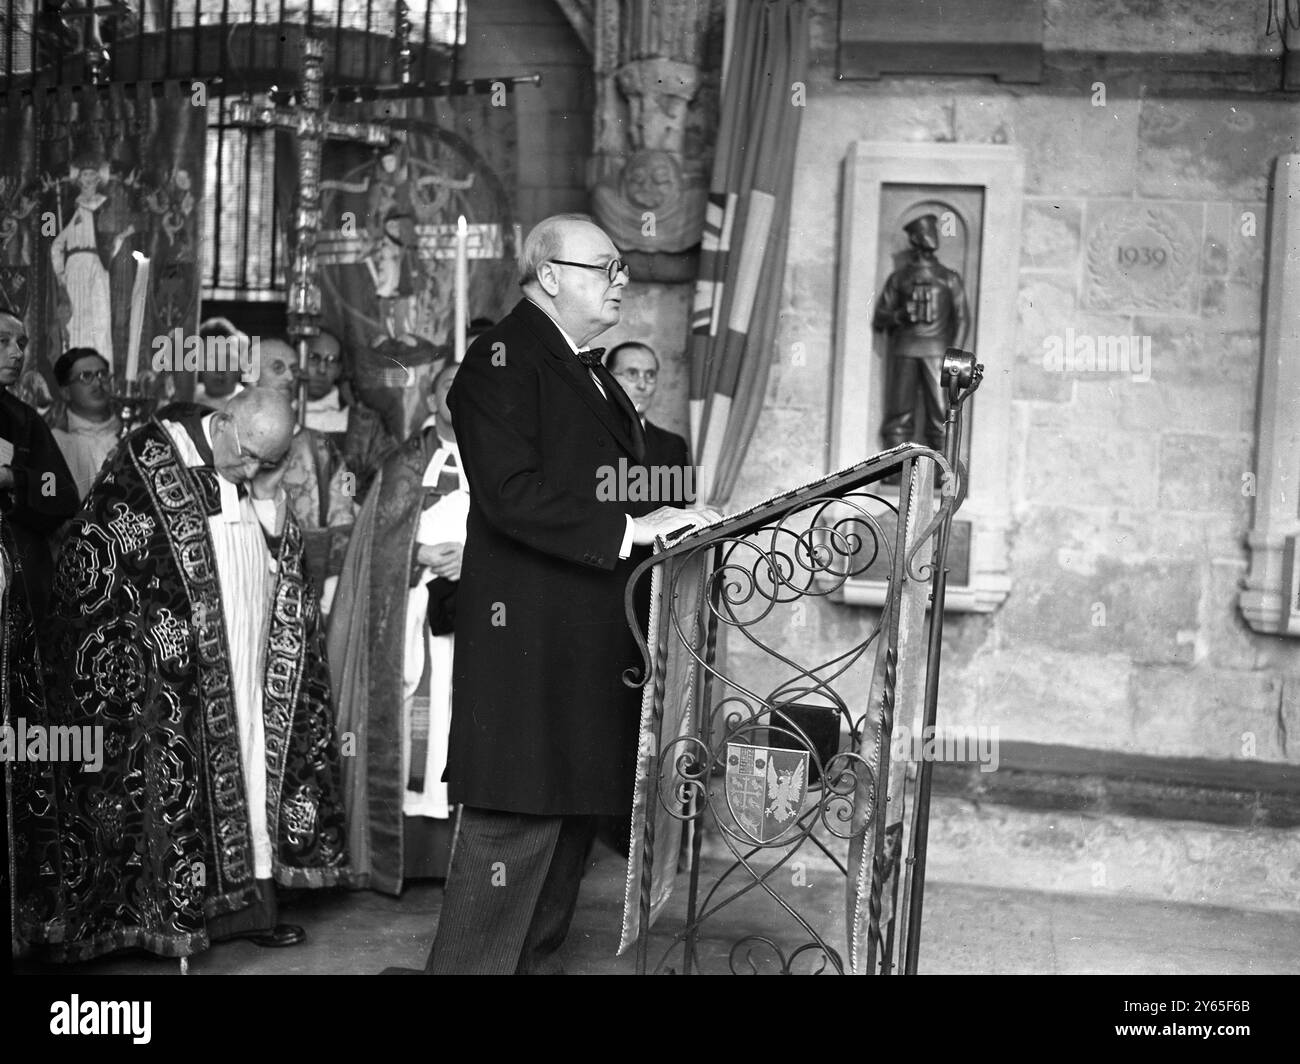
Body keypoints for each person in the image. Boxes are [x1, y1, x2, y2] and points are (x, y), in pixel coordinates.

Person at [396, 213, 718, 975]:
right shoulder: (502, 360)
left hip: (582, 647)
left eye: (620, 268)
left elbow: (596, 483)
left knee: (565, 839)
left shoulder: (584, 367)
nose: (621, 281)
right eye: (604, 267)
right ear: (550, 276)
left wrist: (669, 515)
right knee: (512, 832)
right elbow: (510, 495)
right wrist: (633, 530)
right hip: (528, 648)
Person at [15, 387, 350, 961]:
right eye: (247, 455)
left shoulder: (254, 472)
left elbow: (278, 553)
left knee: (249, 765)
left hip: (247, 653)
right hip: (174, 669)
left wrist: (269, 497)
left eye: (268, 463)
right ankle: (176, 917)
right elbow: (100, 553)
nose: (250, 470)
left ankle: (252, 908)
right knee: (181, 777)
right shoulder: (148, 456)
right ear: (221, 423)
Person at [328, 360, 466, 893]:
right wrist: (421, 553)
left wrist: (473, 560)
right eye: (451, 387)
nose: (463, 395)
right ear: (432, 401)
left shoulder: (502, 462)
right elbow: (370, 547)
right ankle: (401, 855)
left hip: (475, 619)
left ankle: (464, 862)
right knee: (414, 717)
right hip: (408, 618)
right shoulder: (402, 464)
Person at [258, 337, 358, 609]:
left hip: (305, 584)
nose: (290, 377)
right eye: (278, 368)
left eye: (294, 369)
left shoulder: (322, 446)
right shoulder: (227, 440)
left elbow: (344, 505)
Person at [872, 213, 970, 451]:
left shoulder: (948, 278)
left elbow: (962, 319)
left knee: (940, 414)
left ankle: (941, 473)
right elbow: (880, 317)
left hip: (937, 354)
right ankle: (895, 471)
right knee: (899, 413)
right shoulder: (900, 278)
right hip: (906, 351)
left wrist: (952, 359)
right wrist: (900, 316)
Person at [302, 328, 396, 500]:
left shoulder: (366, 424)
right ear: (299, 359)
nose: (322, 369)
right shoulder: (280, 417)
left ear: (339, 370)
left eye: (331, 361)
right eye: (314, 358)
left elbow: (387, 480)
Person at [605, 341, 692, 503]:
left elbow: (679, 515)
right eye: (632, 374)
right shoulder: (588, 435)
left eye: (650, 375)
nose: (642, 385)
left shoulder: (673, 446)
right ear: (608, 378)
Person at [47, 347, 120, 499]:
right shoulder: (54, 443)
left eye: (103, 374)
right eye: (85, 376)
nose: (98, 383)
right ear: (66, 392)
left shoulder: (131, 433)